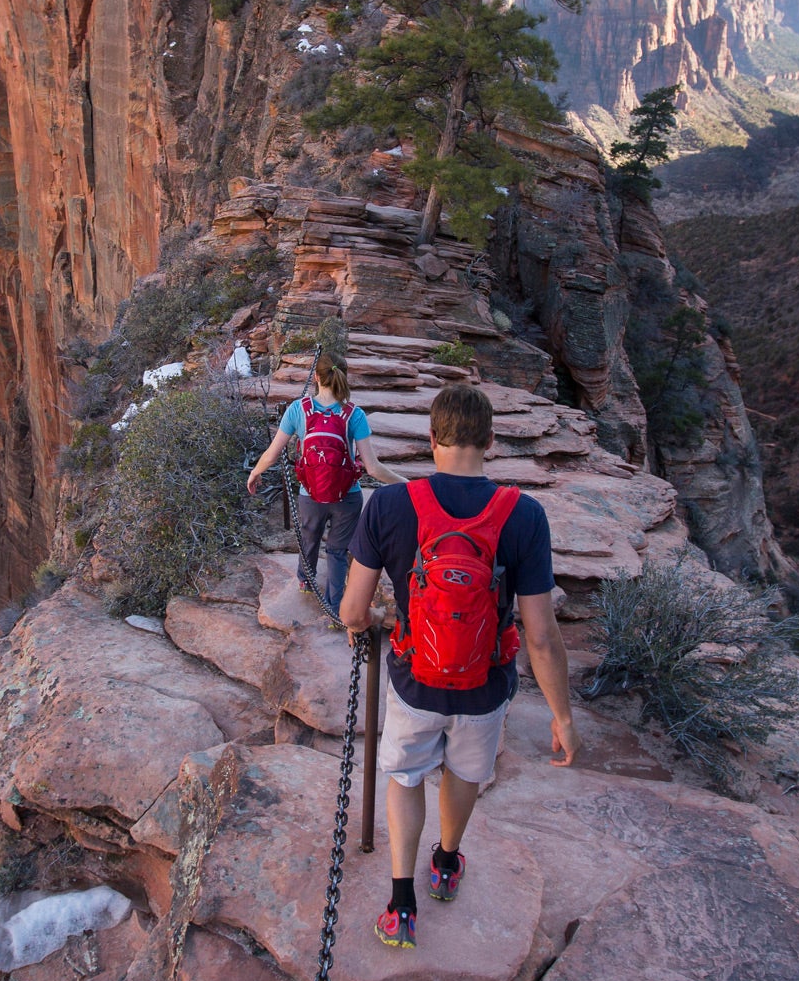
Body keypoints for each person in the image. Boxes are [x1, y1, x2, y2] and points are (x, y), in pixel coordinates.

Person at [339, 382, 580, 950]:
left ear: (431, 440)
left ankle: (402, 904)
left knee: (404, 776)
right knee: (464, 774)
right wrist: (563, 716)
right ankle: (446, 863)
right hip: (485, 687)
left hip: (413, 679)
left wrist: (363, 625)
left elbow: (352, 609)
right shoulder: (524, 516)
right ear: (491, 441)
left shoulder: (391, 506)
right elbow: (541, 636)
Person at [247, 354, 407, 610]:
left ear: (317, 377)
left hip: (310, 494)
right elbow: (373, 467)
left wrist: (255, 472)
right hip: (348, 494)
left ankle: (305, 581)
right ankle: (334, 606)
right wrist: (406, 483)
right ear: (344, 376)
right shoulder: (354, 414)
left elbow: (273, 452)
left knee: (309, 539)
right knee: (337, 550)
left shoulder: (298, 409)